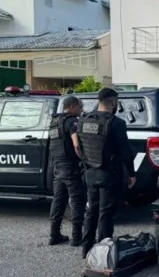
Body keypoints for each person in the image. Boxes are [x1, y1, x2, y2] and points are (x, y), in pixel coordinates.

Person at [75, 87, 136, 258]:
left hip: (90, 172)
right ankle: (102, 254)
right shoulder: (116, 123)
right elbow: (125, 152)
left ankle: (86, 249)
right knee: (105, 214)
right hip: (109, 174)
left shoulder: (84, 120)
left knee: (91, 211)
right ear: (113, 102)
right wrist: (131, 174)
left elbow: (79, 146)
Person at [48, 95, 86, 246]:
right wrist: (84, 158)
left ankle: (54, 235)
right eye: (80, 107)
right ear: (72, 106)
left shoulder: (54, 122)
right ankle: (77, 237)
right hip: (71, 167)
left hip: (58, 168)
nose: (81, 110)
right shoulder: (72, 121)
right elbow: (76, 144)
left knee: (58, 202)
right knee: (77, 202)